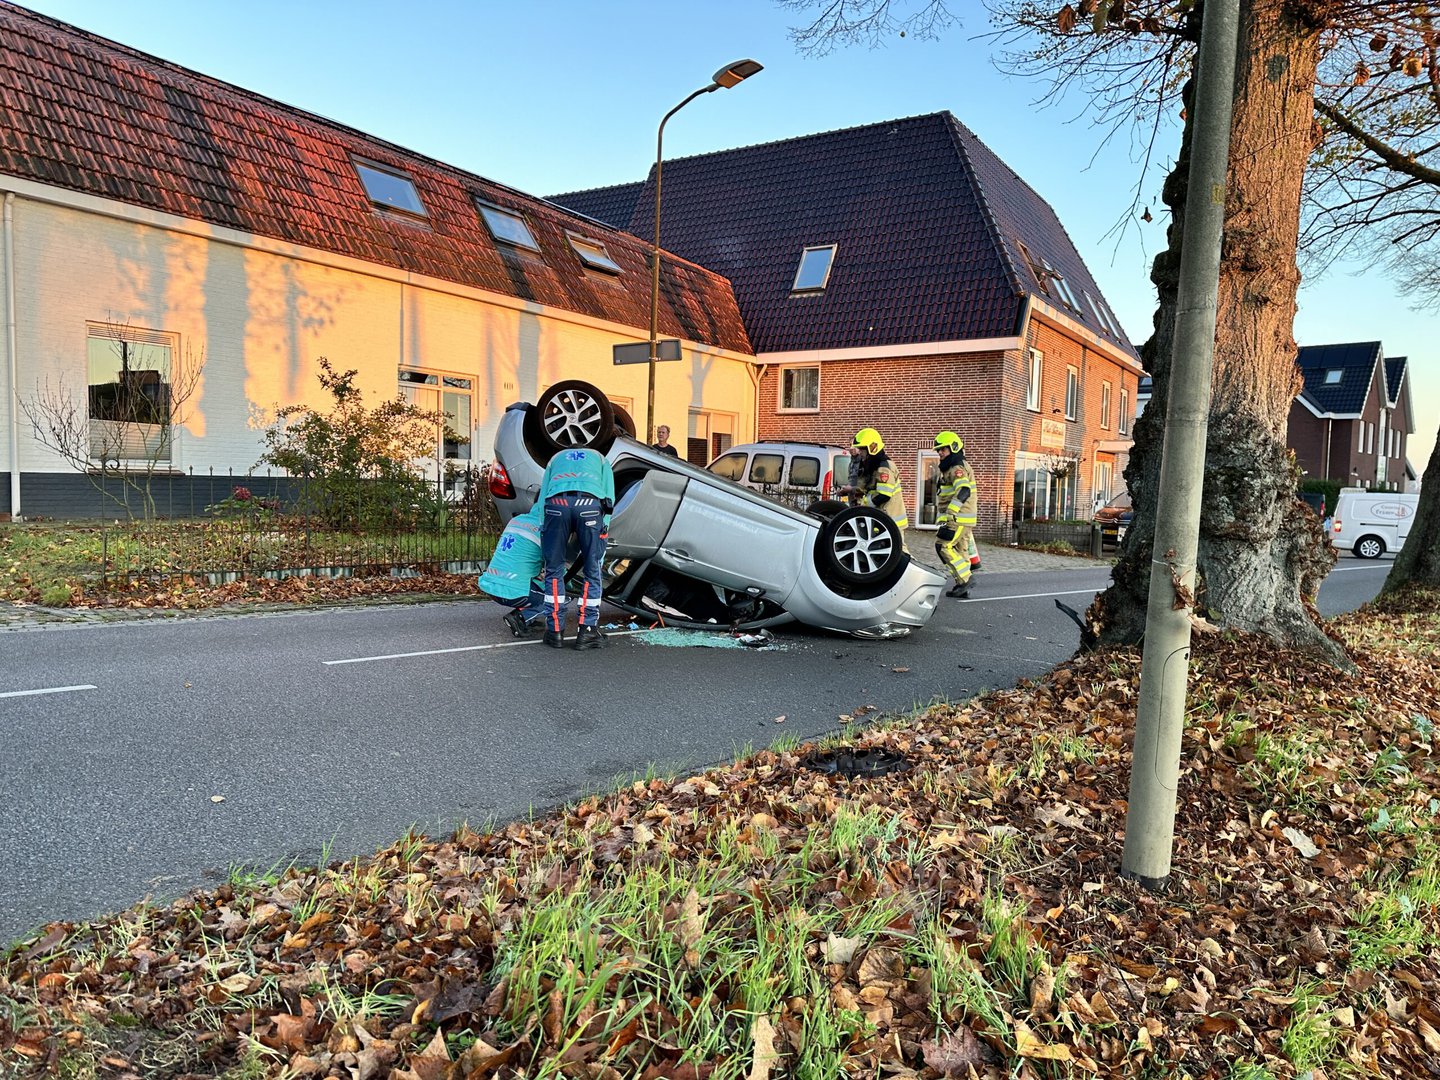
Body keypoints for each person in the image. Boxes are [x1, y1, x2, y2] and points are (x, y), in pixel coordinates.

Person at [539, 447, 616, 650]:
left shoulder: (555, 457)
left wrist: (543, 526)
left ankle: (554, 631)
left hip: (556, 503)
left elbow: (542, 496)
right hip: (589, 504)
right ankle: (588, 631)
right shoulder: (600, 458)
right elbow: (609, 496)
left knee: (554, 569)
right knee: (592, 570)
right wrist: (603, 530)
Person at [477, 503, 546, 637]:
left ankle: (529, 620)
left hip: (490, 585)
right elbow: (556, 566)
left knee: (534, 583)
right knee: (560, 595)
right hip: (513, 593)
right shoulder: (546, 529)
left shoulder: (516, 520)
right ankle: (521, 617)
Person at [933, 430, 978, 598]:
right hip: (963, 517)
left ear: (953, 448)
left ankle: (966, 579)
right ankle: (962, 586)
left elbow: (963, 489)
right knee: (960, 551)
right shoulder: (952, 466)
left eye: (943, 449)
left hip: (958, 517)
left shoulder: (957, 467)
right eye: (939, 450)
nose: (940, 453)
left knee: (943, 546)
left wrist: (952, 511)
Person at [849, 427, 909, 546]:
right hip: (882, 519)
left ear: (872, 447)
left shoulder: (884, 467)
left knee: (898, 554)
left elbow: (883, 495)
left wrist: (864, 503)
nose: (860, 452)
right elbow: (866, 487)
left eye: (862, 449)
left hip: (891, 520)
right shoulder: (872, 465)